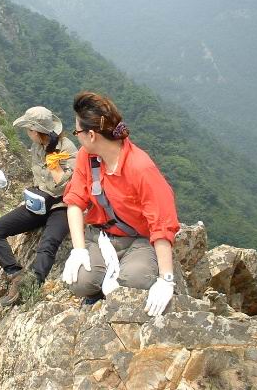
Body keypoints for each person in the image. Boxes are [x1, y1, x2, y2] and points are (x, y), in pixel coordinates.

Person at [62, 91, 180, 316]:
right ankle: (100, 286)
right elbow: (75, 202)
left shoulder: (140, 168)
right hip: (102, 237)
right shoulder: (87, 158)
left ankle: (116, 281)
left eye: (77, 132)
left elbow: (162, 223)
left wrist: (166, 279)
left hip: (139, 240)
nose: (77, 137)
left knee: (134, 281)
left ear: (92, 135)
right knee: (79, 282)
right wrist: (78, 250)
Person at [0, 106, 77, 306]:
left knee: (48, 244)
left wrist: (52, 158)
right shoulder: (36, 147)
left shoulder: (67, 149)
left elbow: (65, 184)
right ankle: (15, 273)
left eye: (29, 129)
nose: (27, 133)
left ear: (36, 131)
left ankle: (31, 284)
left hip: (62, 205)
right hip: (40, 202)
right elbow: (39, 180)